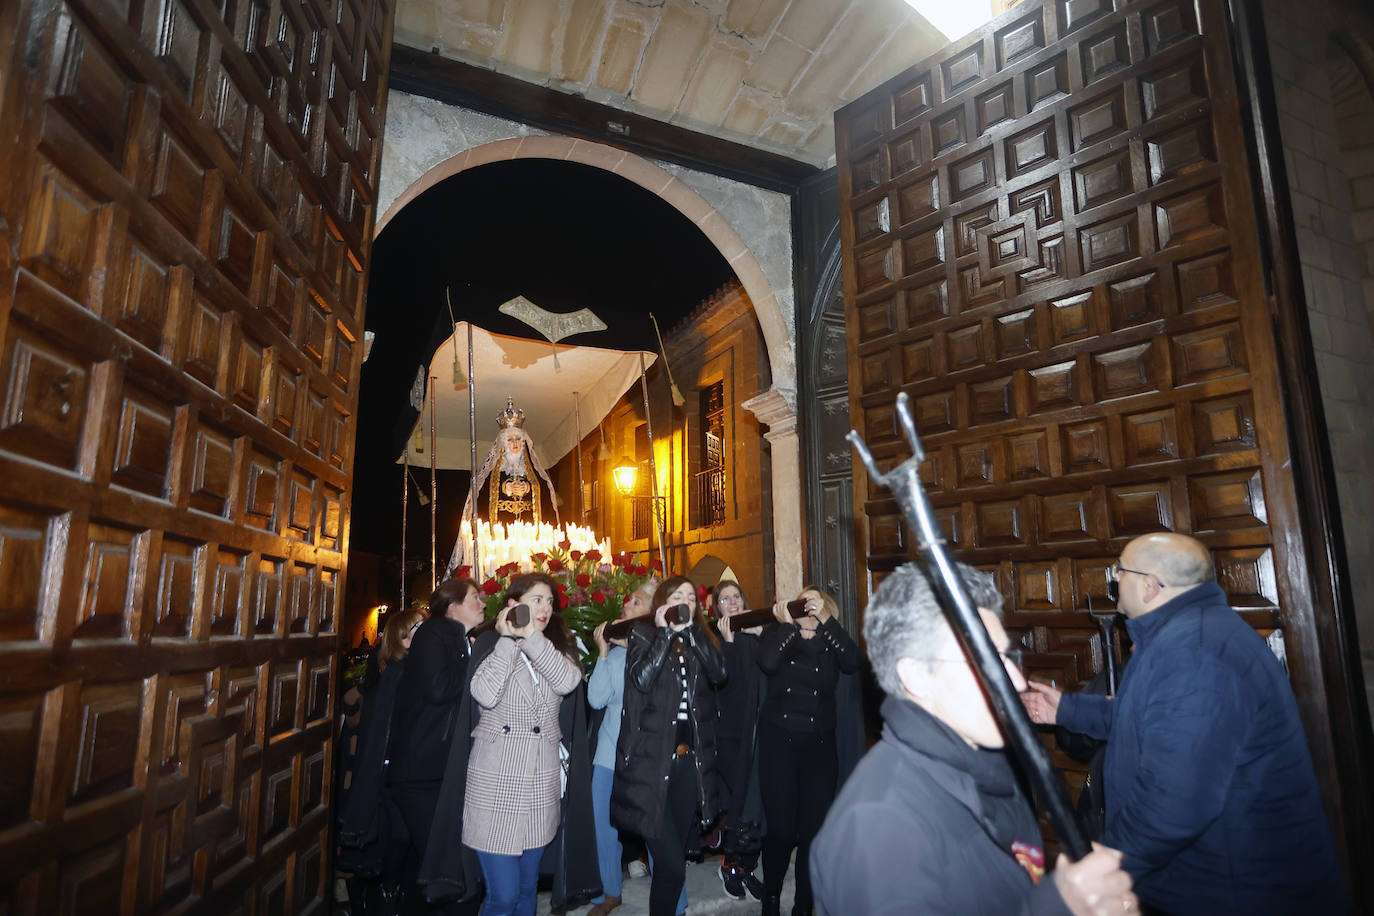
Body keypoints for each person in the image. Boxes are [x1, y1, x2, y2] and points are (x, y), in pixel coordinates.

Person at [1023, 533, 1349, 914]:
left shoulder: (1194, 652)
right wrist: (1066, 710)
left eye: (1119, 571)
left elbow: (1174, 798)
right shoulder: (1184, 635)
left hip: (1234, 893)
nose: (1114, 581)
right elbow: (1148, 723)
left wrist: (1105, 866)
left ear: (1149, 585)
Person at [810, 562, 1137, 915]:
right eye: (987, 660)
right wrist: (1059, 906)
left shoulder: (992, 765)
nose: (1016, 680)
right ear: (919, 676)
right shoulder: (879, 827)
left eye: (1008, 657)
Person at [461, 572, 583, 916]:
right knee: (504, 895)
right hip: (496, 783)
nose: (545, 608)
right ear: (513, 604)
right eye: (536, 600)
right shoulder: (487, 642)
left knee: (528, 889)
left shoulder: (555, 646)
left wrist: (531, 637)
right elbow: (484, 693)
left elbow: (568, 681)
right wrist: (507, 640)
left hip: (539, 786)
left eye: (549, 601)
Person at [611, 575, 727, 916]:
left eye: (691, 597)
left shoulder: (700, 638)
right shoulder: (643, 634)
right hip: (651, 767)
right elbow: (641, 680)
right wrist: (664, 633)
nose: (685, 601)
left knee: (670, 870)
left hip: (688, 766)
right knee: (672, 864)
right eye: (677, 595)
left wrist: (692, 632)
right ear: (663, 601)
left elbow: (720, 673)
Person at [755, 586, 861, 916]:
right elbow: (768, 663)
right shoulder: (779, 635)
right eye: (803, 600)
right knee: (782, 830)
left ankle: (804, 905)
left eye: (813, 602)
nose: (807, 605)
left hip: (819, 748)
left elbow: (853, 661)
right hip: (779, 745)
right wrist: (789, 622)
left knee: (814, 832)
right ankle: (771, 895)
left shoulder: (833, 642)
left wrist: (826, 621)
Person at [586, 581, 687, 916]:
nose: (627, 603)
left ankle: (676, 901)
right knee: (604, 828)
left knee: (659, 834)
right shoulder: (614, 654)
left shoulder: (667, 650)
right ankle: (609, 892)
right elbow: (596, 698)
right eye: (628, 599)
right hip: (609, 755)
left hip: (649, 760)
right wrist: (603, 652)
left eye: (637, 600)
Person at [384, 578, 485, 909]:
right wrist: (476, 659)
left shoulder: (458, 639)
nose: (483, 604)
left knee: (434, 867)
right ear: (452, 605)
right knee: (444, 867)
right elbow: (440, 689)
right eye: (474, 598)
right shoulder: (435, 632)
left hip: (440, 770)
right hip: (420, 773)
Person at [337, 608, 424, 910]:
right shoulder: (397, 673)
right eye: (414, 629)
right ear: (399, 639)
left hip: (401, 776)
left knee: (403, 846)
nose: (422, 634)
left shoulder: (413, 671)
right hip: (390, 778)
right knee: (397, 844)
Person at [712, 580, 766, 902]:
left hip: (760, 732)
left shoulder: (759, 635)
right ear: (716, 608)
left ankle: (747, 865)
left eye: (736, 597)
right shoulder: (717, 641)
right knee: (738, 802)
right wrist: (730, 643)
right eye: (724, 599)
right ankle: (730, 864)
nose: (731, 603)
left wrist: (761, 634)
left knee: (757, 802)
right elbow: (723, 687)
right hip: (731, 735)